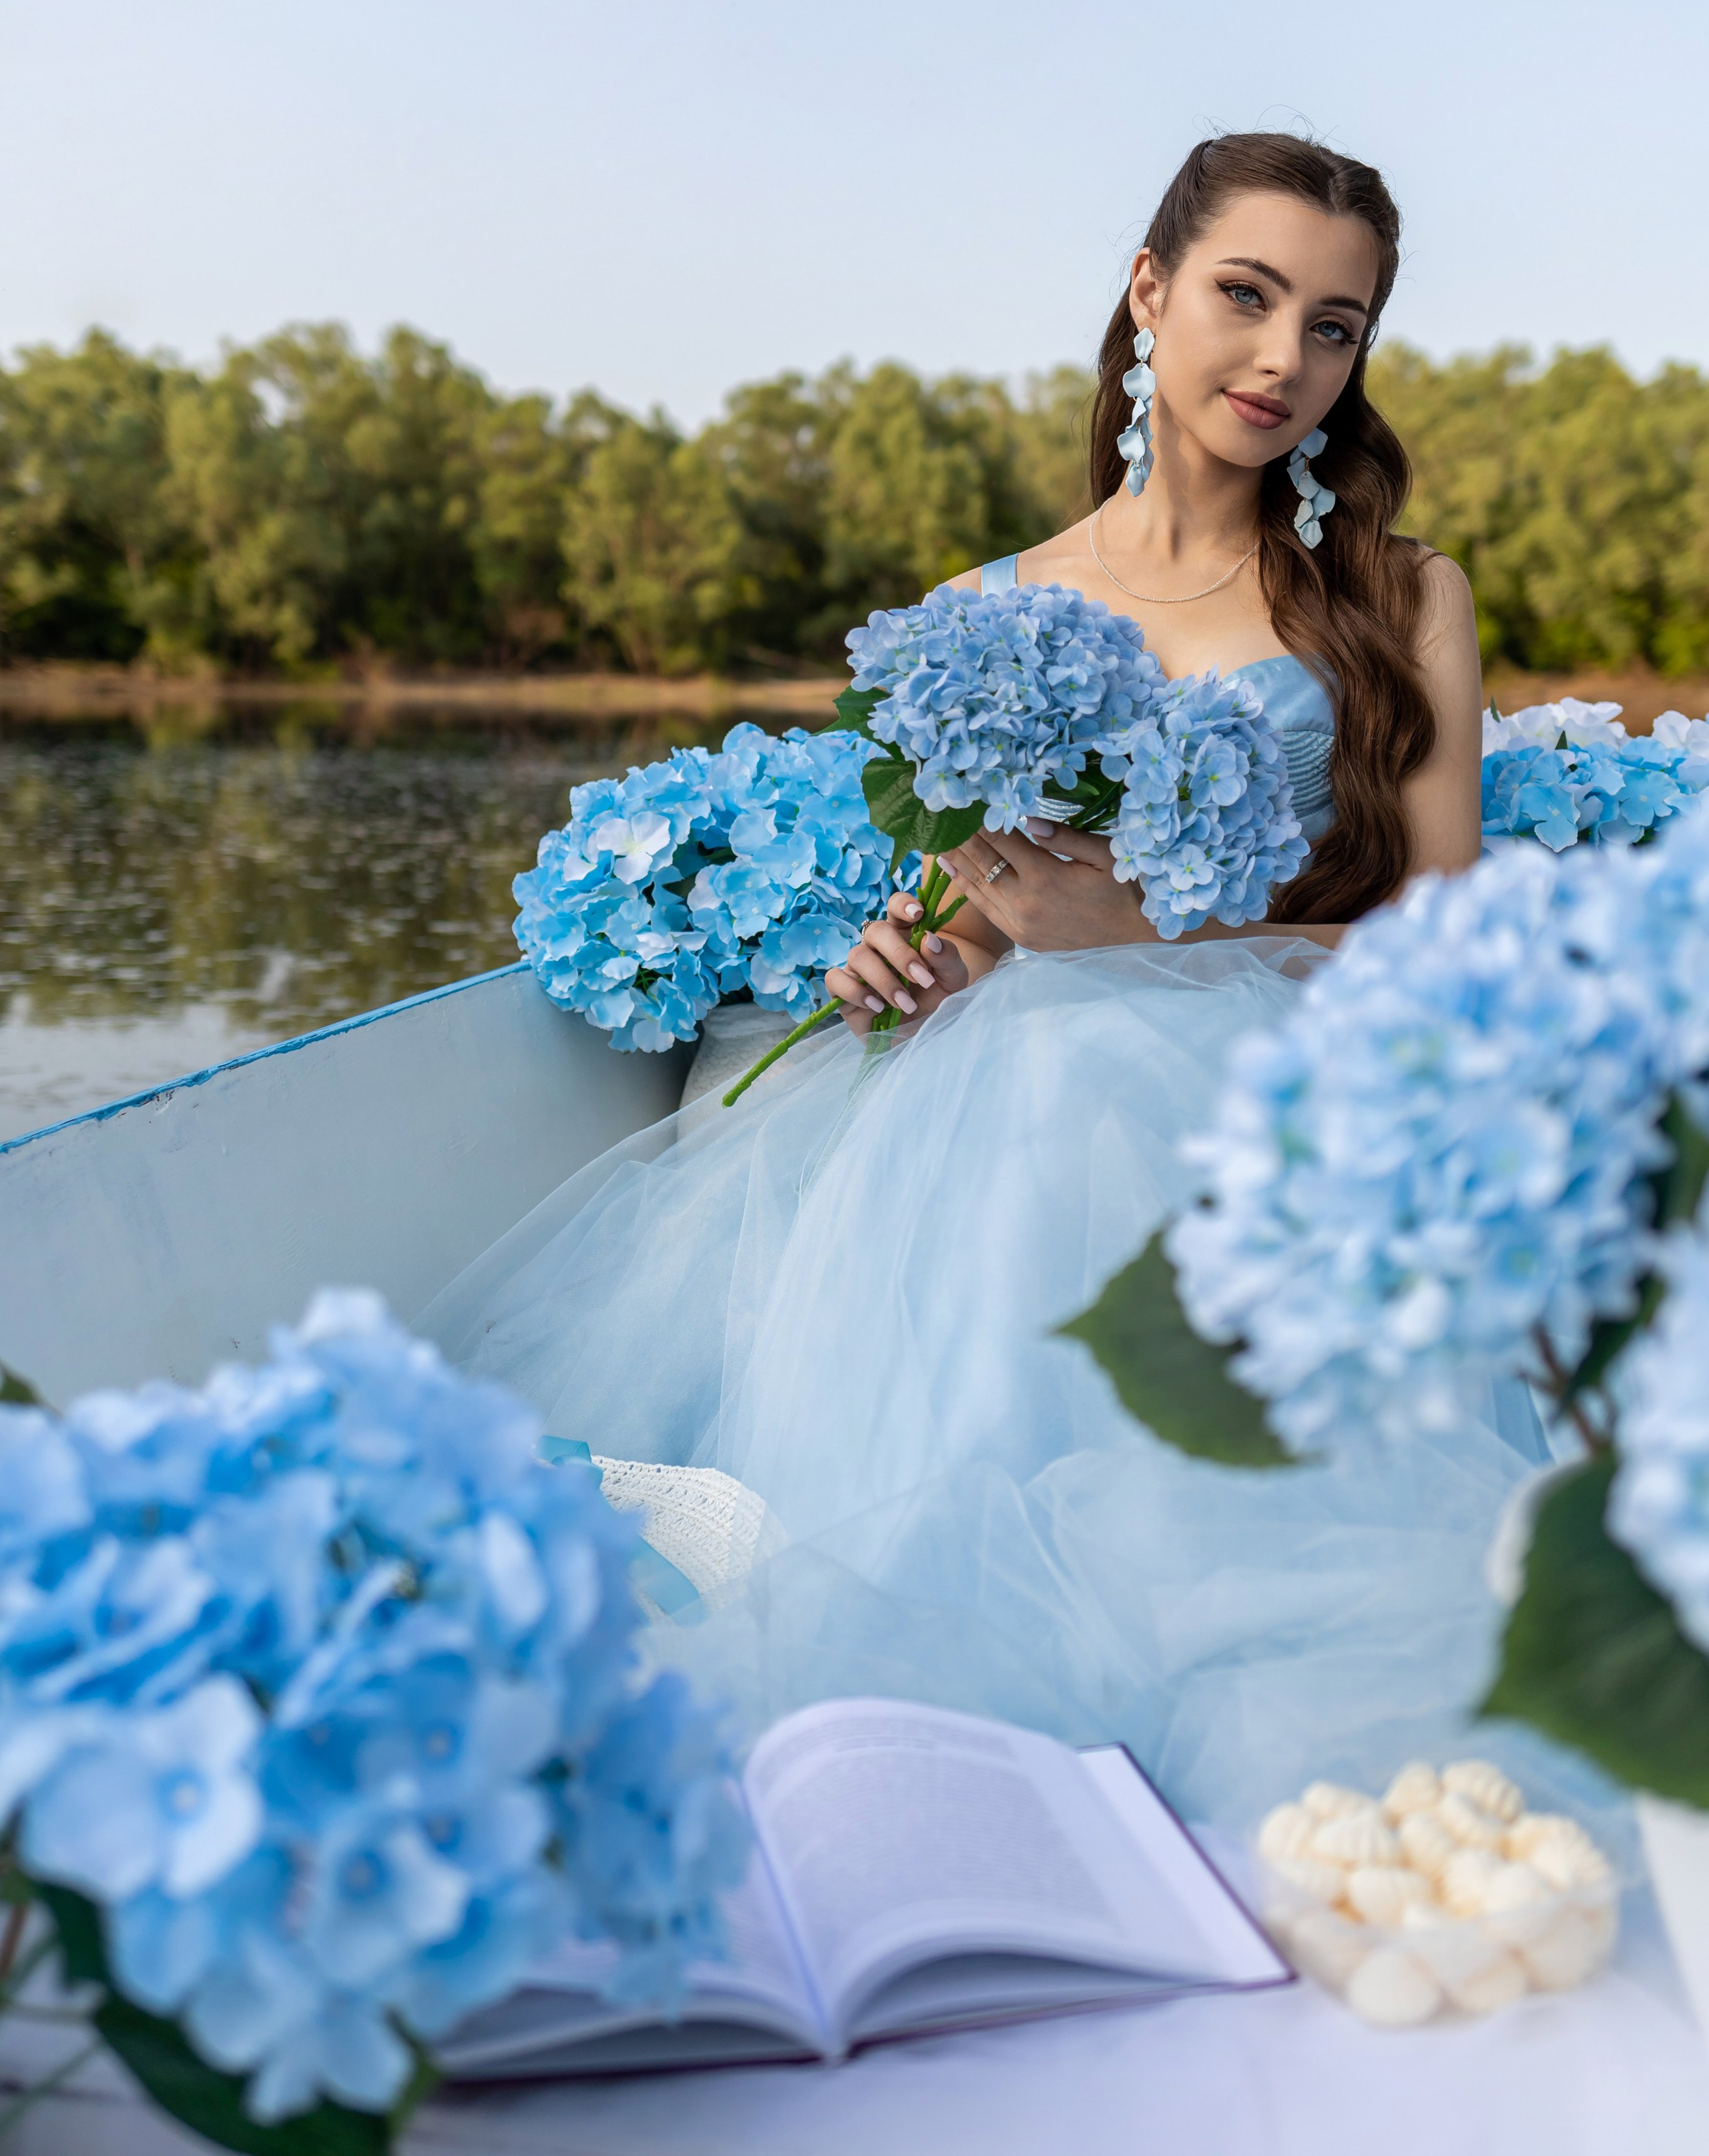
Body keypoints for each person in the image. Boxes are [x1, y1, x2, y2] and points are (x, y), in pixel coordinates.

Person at [418, 134, 1553, 1829]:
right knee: (1029, 1073)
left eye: (1332, 325)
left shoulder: (1398, 597)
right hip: (1003, 1080)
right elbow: (976, 907)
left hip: (1294, 1072)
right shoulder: (984, 611)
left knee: (1076, 1075)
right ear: (1148, 289)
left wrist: (1154, 943)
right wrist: (913, 956)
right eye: (1245, 296)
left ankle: (1127, 1686)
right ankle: (928, 1723)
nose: (1280, 361)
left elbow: (1446, 945)